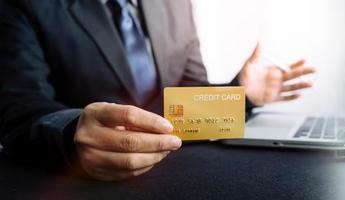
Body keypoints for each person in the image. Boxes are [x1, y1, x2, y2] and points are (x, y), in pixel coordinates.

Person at [0, 0, 315, 181]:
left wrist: (241, 94)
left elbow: (188, 93)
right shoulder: (23, 5)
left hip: (181, 174)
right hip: (81, 184)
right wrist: (71, 133)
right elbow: (19, 103)